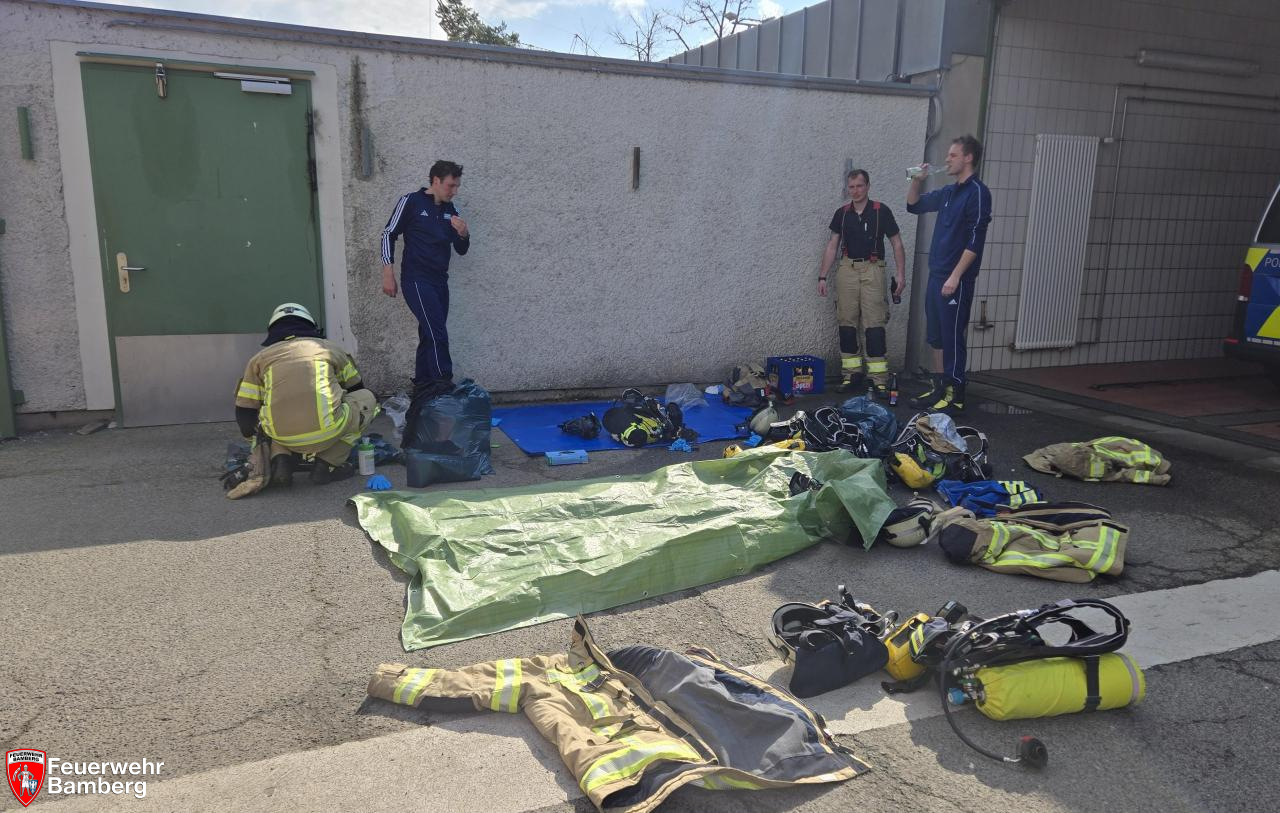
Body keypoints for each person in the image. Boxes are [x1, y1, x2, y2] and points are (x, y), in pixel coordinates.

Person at [234, 303, 377, 486]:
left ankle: (280, 458)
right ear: (311, 326)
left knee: (268, 416)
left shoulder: (259, 360)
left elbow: (245, 416)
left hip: (282, 435)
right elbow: (357, 389)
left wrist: (258, 444)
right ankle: (326, 464)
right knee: (367, 399)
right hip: (328, 431)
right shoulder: (330, 349)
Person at [905, 135, 993, 412]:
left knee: (952, 336)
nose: (947, 159)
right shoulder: (948, 192)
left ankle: (956, 394)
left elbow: (976, 240)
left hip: (957, 279)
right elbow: (913, 205)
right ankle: (939, 387)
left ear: (968, 158)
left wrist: (955, 276)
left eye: (953, 155)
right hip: (937, 274)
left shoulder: (978, 192)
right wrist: (916, 180)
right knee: (936, 336)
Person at [380, 160, 471, 399]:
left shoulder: (452, 210)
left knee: (429, 332)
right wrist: (388, 272)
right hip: (416, 279)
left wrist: (463, 234)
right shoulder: (411, 201)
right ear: (436, 181)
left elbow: (461, 249)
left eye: (457, 186)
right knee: (437, 332)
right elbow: (388, 234)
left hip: (440, 281)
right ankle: (443, 385)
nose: (454, 191)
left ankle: (423, 387)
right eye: (451, 185)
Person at [818, 169, 907, 397]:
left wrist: (901, 274)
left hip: (873, 269)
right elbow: (832, 245)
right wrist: (822, 276)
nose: (855, 191)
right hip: (847, 269)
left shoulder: (880, 211)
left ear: (868, 186)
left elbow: (897, 243)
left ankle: (878, 380)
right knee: (846, 323)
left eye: (859, 186)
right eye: (852, 187)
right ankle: (852, 375)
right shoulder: (842, 214)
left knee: (874, 324)